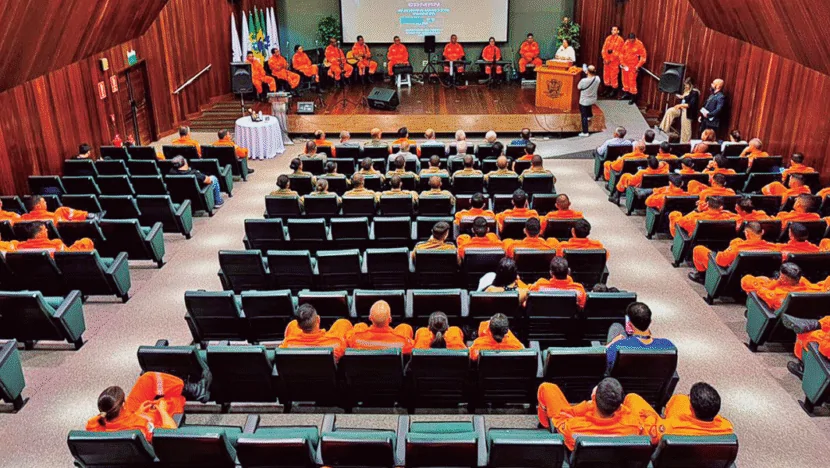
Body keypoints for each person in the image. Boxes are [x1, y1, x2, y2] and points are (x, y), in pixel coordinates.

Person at [85, 372, 205, 441]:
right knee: (171, 401)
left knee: (147, 379)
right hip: (140, 421)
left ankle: (188, 388)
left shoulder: (93, 424)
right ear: (123, 404)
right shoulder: (142, 426)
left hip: (128, 417)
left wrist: (137, 413)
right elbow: (170, 433)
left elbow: (118, 425)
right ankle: (195, 390)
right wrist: (162, 410)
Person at [536, 377, 651, 450]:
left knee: (547, 388)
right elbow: (633, 416)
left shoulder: (573, 427)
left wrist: (587, 406)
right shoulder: (634, 425)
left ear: (594, 398)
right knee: (633, 398)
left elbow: (559, 418)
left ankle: (544, 426)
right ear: (619, 406)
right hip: (615, 458)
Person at [640, 382, 734, 441]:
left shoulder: (672, 426)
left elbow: (649, 438)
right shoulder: (727, 429)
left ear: (691, 409)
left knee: (632, 398)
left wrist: (652, 417)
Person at [688, 221, 777, 283]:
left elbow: (720, 261)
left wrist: (722, 251)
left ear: (746, 233)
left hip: (729, 274)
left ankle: (701, 276)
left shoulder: (737, 247)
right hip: (752, 275)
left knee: (698, 249)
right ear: (762, 232)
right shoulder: (773, 247)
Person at [606, 302, 675, 371]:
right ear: (650, 322)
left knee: (616, 327)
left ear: (629, 324)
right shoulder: (668, 345)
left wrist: (611, 343)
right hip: (653, 380)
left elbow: (603, 361)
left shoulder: (618, 345)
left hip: (623, 380)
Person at [280, 303, 352, 361]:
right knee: (343, 323)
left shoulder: (287, 344)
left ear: (298, 326)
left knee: (292, 325)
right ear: (318, 319)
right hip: (326, 377)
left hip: (299, 376)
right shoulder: (336, 342)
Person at [741, 262, 826, 310]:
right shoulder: (812, 290)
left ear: (783, 278)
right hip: (803, 312)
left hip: (775, 314)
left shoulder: (777, 295)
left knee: (749, 281)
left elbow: (759, 290)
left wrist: (777, 282)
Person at [346, 300, 414, 354]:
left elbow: (348, 338)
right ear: (390, 319)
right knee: (404, 327)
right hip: (391, 370)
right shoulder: (403, 341)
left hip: (364, 370)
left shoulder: (355, 338)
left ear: (370, 318)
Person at [668, 196, 737, 237]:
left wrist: (697, 210)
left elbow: (680, 223)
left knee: (674, 214)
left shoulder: (697, 217)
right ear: (721, 207)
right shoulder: (730, 217)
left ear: (707, 204)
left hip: (696, 239)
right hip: (719, 239)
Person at [659, 77, 699, 143]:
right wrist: (681, 97)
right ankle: (663, 129)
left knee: (685, 127)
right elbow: (684, 98)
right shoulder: (686, 91)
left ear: (691, 85)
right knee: (670, 111)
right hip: (681, 109)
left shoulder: (694, 93)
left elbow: (690, 104)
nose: (685, 86)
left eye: (687, 84)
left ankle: (684, 142)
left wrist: (680, 105)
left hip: (687, 111)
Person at [14, 221, 94, 254]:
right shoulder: (55, 244)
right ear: (38, 235)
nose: (47, 231)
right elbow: (70, 255)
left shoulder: (19, 247)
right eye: (45, 230)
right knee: (86, 242)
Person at [619, 33, 647, 105]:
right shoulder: (626, 43)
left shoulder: (639, 44)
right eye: (630, 39)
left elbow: (643, 57)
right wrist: (622, 63)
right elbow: (621, 53)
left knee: (632, 82)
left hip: (633, 67)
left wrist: (638, 66)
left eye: (632, 40)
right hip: (625, 66)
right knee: (624, 80)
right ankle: (626, 94)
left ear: (635, 38)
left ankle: (633, 97)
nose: (631, 41)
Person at [20, 195, 90, 223]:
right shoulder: (54, 216)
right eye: (44, 202)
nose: (46, 203)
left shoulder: (22, 219)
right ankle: (89, 215)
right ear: (38, 206)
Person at [601, 26, 625, 97]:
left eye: (615, 30)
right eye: (612, 30)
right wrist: (605, 58)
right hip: (606, 62)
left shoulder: (620, 40)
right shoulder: (608, 38)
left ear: (618, 31)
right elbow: (604, 49)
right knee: (606, 76)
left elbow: (618, 52)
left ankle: (613, 91)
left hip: (614, 62)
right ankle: (607, 90)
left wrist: (610, 59)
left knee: (613, 76)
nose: (613, 31)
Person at [578, 65, 601, 137]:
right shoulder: (597, 79)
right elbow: (593, 76)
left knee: (583, 116)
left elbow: (578, 87)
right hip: (593, 99)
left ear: (587, 71)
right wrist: (588, 72)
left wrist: (586, 73)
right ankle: (590, 116)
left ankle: (585, 132)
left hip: (584, 100)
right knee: (589, 107)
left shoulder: (583, 81)